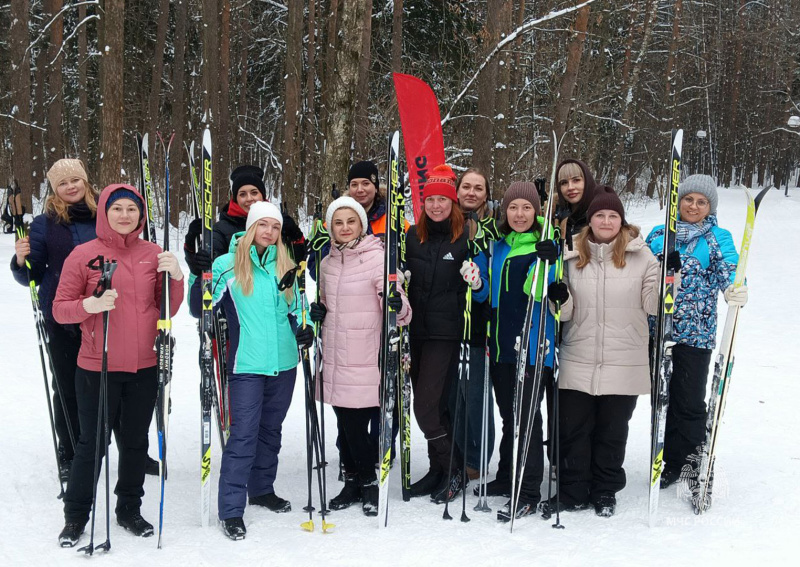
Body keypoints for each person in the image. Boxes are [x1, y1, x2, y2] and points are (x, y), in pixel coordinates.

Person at [52, 185, 184, 546]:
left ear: (141, 216)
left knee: (135, 443)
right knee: (91, 445)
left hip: (144, 365)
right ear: (104, 213)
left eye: (132, 209)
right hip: (98, 365)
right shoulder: (84, 255)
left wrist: (175, 277)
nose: (125, 215)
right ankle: (76, 515)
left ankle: (128, 508)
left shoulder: (153, 253)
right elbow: (60, 307)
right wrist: (88, 307)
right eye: (117, 209)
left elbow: (167, 308)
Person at [190, 201, 310, 541]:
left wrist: (307, 328)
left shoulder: (286, 264)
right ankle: (230, 509)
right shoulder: (227, 265)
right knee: (242, 434)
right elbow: (200, 308)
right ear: (251, 228)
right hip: (246, 365)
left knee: (271, 430)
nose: (269, 232)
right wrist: (202, 277)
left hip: (286, 363)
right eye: (262, 225)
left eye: (274, 226)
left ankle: (261, 489)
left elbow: (299, 308)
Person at [547, 186, 660, 517]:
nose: (606, 221)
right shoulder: (571, 255)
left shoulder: (643, 258)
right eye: (600, 215)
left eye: (613, 215)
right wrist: (560, 297)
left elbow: (654, 306)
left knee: (612, 432)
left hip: (625, 359)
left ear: (621, 220)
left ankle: (605, 491)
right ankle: (572, 491)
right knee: (574, 430)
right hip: (578, 356)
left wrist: (671, 276)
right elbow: (564, 314)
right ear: (591, 220)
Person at [309, 197, 411, 516]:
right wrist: (319, 311)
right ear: (330, 227)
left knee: (357, 426)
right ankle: (352, 482)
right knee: (345, 424)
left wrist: (396, 303)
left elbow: (403, 311)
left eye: (350, 221)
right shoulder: (326, 263)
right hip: (335, 353)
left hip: (366, 354)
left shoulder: (377, 258)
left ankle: (368, 483)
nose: (344, 228)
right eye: (338, 222)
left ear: (362, 224)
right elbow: (326, 303)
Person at [645, 174, 745, 489]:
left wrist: (734, 289)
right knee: (662, 399)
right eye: (688, 199)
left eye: (701, 201)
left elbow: (729, 268)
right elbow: (640, 270)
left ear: (709, 207)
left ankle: (687, 462)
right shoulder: (660, 234)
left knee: (688, 402)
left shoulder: (718, 236)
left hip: (696, 335)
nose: (694, 206)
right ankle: (663, 458)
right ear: (679, 201)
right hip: (658, 331)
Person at [10, 159, 98, 484]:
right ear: (54, 189)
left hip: (103, 315)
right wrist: (21, 260)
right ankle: (70, 452)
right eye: (63, 183)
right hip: (60, 317)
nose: (71, 186)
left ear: (86, 182)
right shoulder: (45, 224)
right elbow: (33, 273)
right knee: (66, 387)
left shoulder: (107, 214)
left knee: (112, 386)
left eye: (76, 179)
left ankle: (121, 448)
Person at [472, 182, 555, 521]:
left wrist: (547, 261)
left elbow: (542, 292)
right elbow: (488, 296)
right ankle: (508, 476)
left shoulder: (546, 247)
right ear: (503, 211)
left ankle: (529, 489)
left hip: (533, 347)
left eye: (526, 208)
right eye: (513, 208)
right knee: (510, 417)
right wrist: (477, 283)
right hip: (502, 346)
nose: (519, 214)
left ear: (536, 212)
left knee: (526, 419)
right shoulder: (498, 247)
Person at [405, 164, 476, 503]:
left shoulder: (465, 237)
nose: (436, 206)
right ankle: (438, 470)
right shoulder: (411, 237)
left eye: (442, 200)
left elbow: (481, 281)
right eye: (430, 200)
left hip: (446, 334)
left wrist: (476, 278)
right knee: (437, 407)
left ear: (453, 204)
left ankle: (454, 470)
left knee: (426, 407)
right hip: (415, 331)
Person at [184, 164, 305, 274]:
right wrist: (192, 245)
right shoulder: (221, 229)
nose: (249, 198)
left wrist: (295, 236)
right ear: (235, 198)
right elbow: (201, 268)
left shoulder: (275, 225)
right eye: (242, 194)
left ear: (262, 195)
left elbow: (297, 263)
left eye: (254, 192)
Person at [454, 168, 496, 480]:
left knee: (476, 396)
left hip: (481, 326)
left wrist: (481, 285)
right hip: (447, 323)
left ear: (486, 193)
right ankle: (455, 453)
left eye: (478, 188)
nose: (471, 192)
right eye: (466, 186)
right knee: (453, 395)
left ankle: (476, 458)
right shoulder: (447, 221)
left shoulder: (494, 227)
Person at [555, 159, 599, 235]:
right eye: (564, 183)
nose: (570, 187)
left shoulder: (604, 215)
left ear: (587, 182)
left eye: (576, 180)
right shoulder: (554, 216)